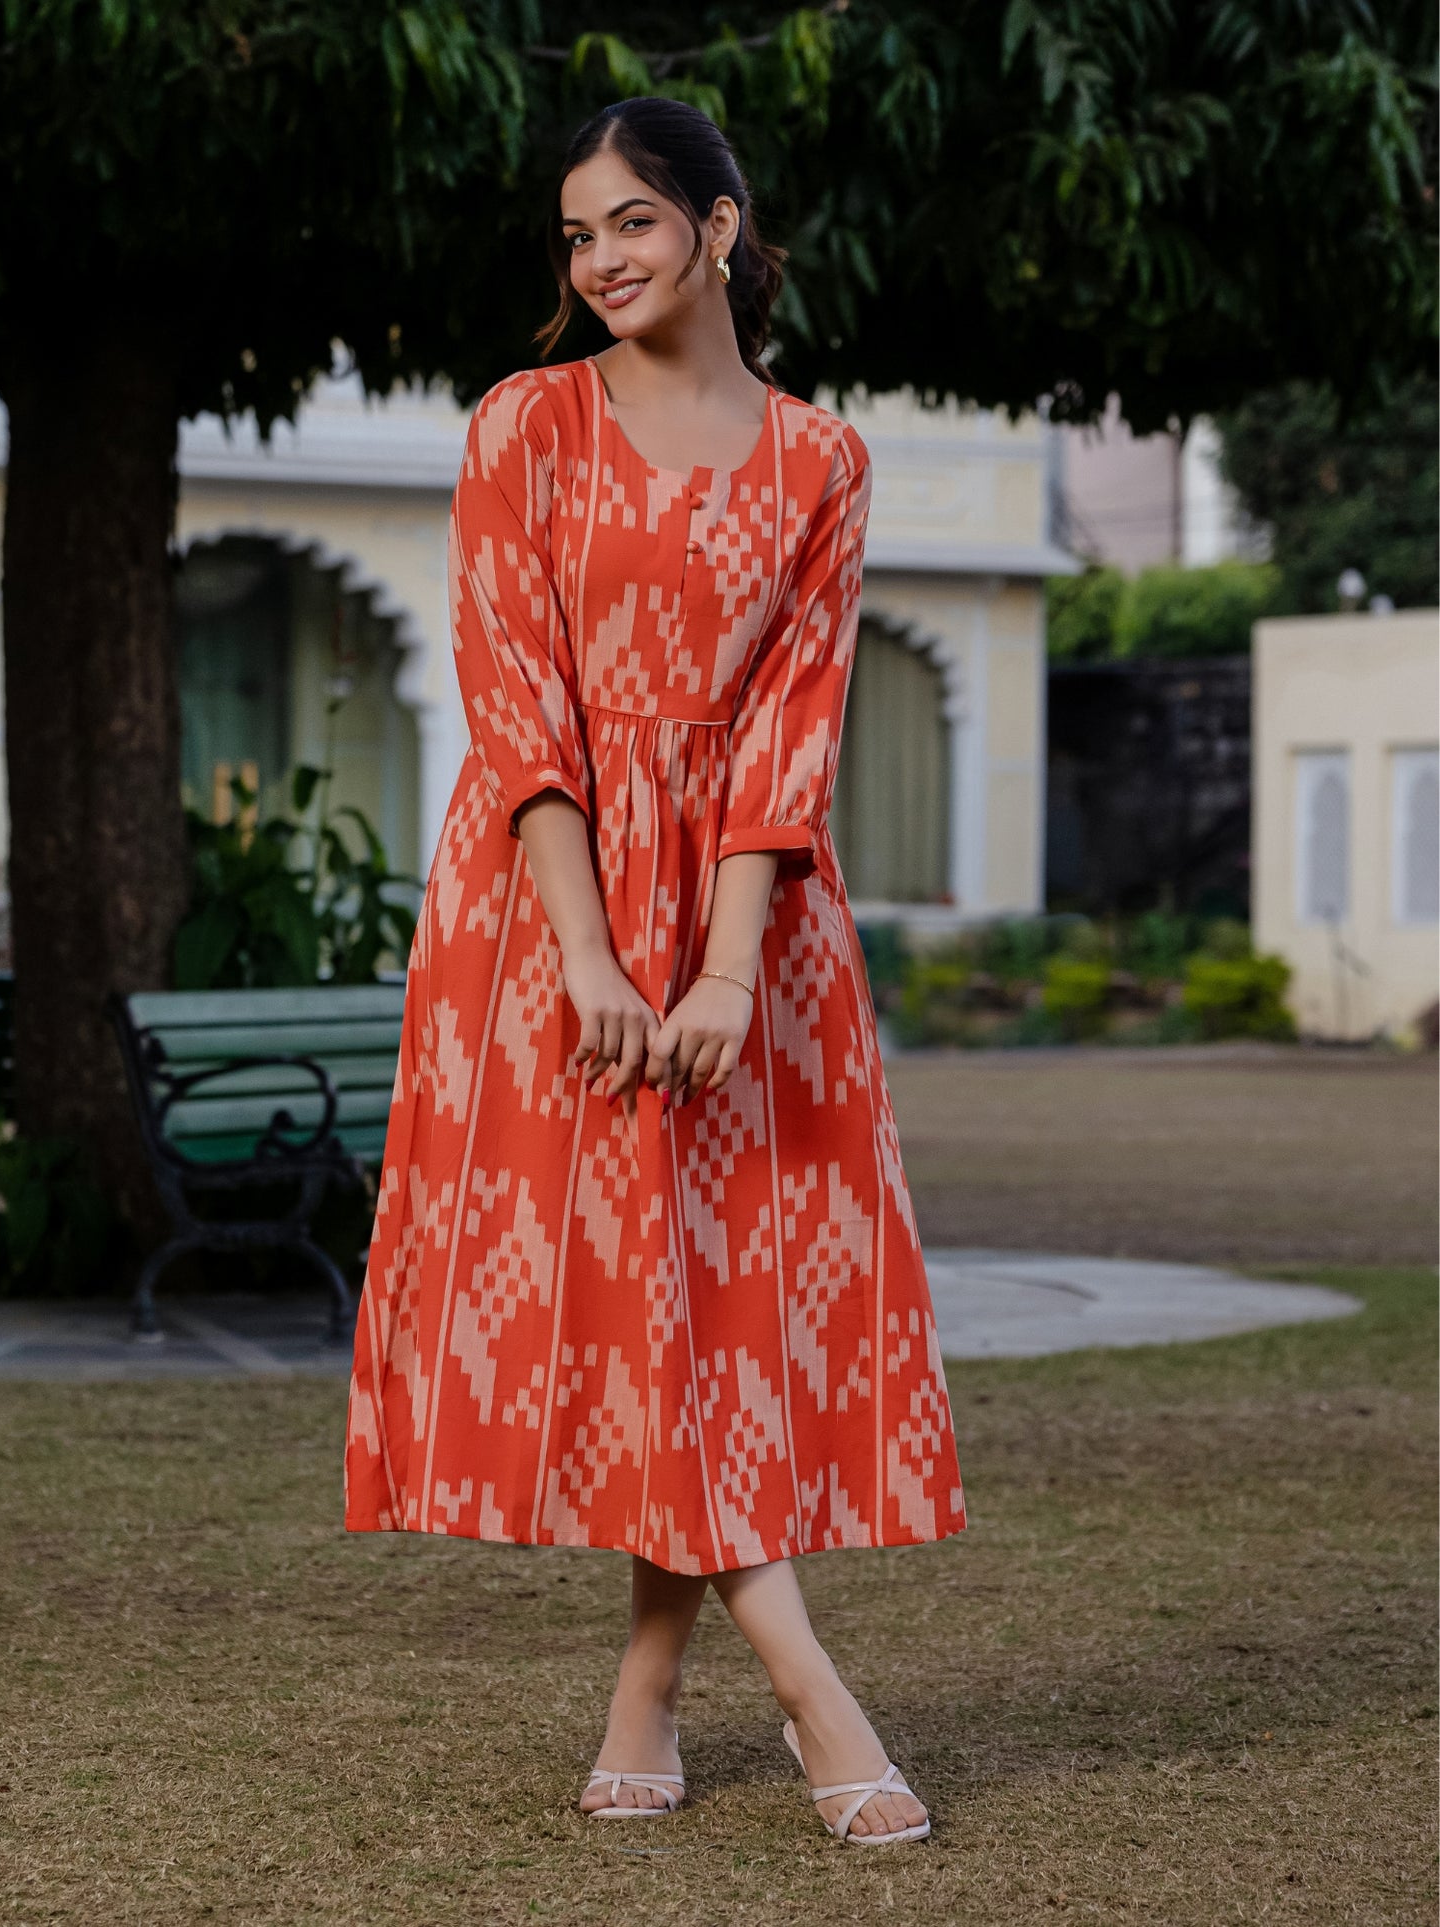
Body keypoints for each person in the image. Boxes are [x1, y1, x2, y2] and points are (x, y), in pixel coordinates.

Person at [345, 94, 965, 1847]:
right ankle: (811, 1691)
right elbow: (516, 698)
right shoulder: (524, 422)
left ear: (717, 224)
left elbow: (794, 724)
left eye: (631, 220)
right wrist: (593, 954)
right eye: (577, 234)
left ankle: (645, 1683)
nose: (600, 258)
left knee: (702, 1300)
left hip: (752, 924)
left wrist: (724, 973)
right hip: (543, 910)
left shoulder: (822, 460)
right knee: (633, 1295)